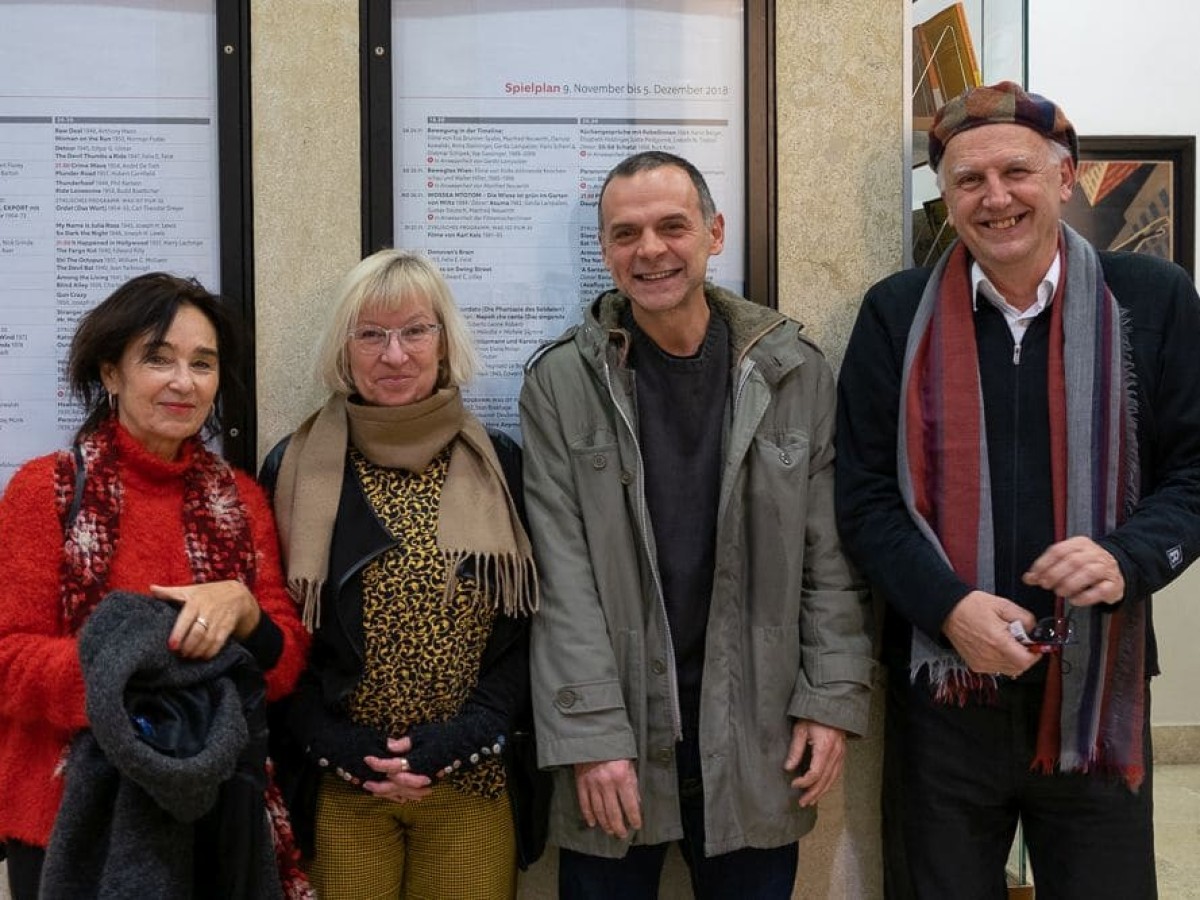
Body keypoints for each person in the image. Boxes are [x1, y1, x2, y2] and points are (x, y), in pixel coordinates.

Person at [836, 81, 1200, 899]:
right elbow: (862, 497)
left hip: (1097, 689)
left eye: (1016, 172)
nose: (994, 198)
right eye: (968, 180)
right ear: (945, 194)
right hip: (945, 696)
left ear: (1064, 178)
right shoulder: (895, 316)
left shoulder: (1153, 299)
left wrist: (1129, 557)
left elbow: (1195, 472)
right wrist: (947, 607)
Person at [519, 150, 875, 899]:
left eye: (671, 226)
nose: (649, 250)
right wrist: (591, 739)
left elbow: (828, 557)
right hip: (615, 740)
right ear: (606, 251)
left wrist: (829, 696)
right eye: (625, 234)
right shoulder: (561, 383)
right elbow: (562, 575)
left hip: (757, 731)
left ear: (714, 233)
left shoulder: (792, 371)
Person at [0, 272, 311, 899]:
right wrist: (144, 667)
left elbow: (284, 664)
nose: (183, 381)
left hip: (211, 810)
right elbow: (9, 660)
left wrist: (246, 614)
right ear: (111, 373)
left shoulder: (241, 503)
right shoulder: (46, 492)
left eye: (203, 363)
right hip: (69, 821)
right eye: (158, 358)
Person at [259, 249, 542, 900]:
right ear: (344, 348)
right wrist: (333, 743)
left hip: (470, 778)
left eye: (416, 330)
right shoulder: (293, 468)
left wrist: (466, 735)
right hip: (341, 783)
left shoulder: (501, 465)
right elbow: (272, 628)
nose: (394, 355)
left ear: (444, 343)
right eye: (371, 334)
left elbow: (531, 624)